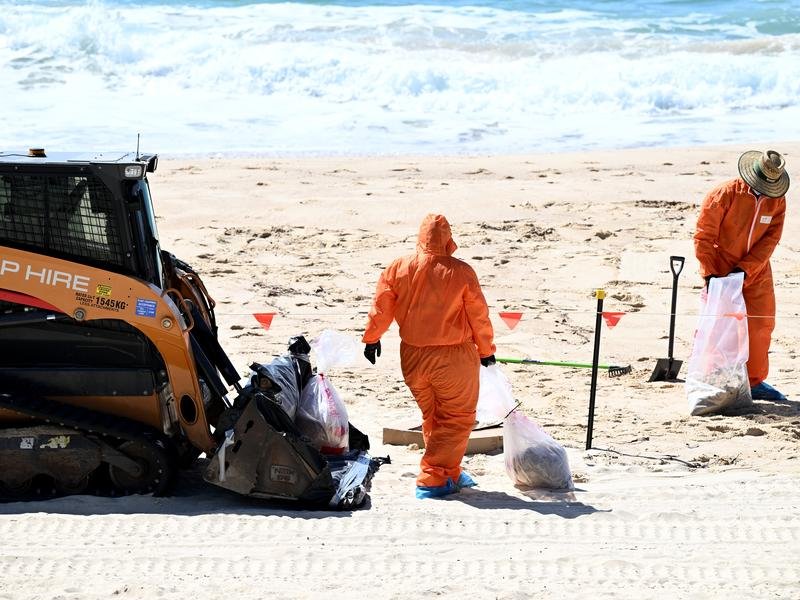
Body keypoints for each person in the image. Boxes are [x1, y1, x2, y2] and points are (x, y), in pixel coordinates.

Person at [362, 214, 496, 499]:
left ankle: (451, 471)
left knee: (433, 416)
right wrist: (486, 351)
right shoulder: (461, 271)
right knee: (457, 418)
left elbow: (381, 306)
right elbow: (478, 316)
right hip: (452, 357)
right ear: (448, 238)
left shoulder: (398, 267)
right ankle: (433, 477)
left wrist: (372, 338)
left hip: (412, 357)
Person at [694, 149, 790, 401]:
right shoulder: (724, 194)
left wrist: (747, 269)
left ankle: (755, 382)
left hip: (757, 271)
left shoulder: (777, 199)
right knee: (721, 326)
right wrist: (710, 274)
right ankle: (716, 377)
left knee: (761, 325)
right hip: (722, 270)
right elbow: (704, 236)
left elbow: (771, 239)